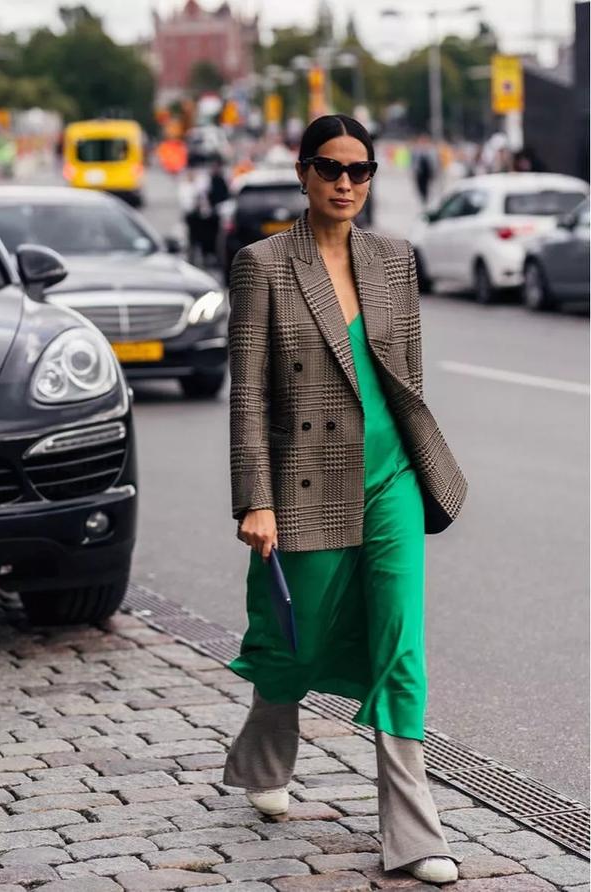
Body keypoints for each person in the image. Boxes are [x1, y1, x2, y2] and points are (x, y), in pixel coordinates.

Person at [223, 114, 468, 884]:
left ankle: (413, 835)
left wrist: (421, 464)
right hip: (307, 484)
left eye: (359, 170)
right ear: (303, 172)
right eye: (329, 168)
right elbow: (249, 396)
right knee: (294, 642)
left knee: (400, 646)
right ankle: (263, 757)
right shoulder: (263, 264)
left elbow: (407, 379)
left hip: (392, 479)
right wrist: (255, 498)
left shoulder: (394, 260)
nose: (344, 183)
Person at [411, 132, 437, 204]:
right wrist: (414, 170)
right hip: (419, 171)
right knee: (419, 185)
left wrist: (434, 171)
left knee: (426, 185)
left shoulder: (430, 150)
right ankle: (423, 196)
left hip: (427, 171)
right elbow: (413, 161)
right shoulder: (416, 150)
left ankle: (426, 197)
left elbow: (434, 161)